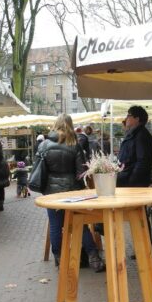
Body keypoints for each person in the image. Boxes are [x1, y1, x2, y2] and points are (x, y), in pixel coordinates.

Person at [39, 114, 104, 272]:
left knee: (55, 225)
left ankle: (60, 260)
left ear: (56, 125)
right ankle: (94, 258)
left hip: (51, 192)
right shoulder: (74, 144)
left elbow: (40, 170)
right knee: (78, 224)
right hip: (72, 191)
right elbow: (81, 173)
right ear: (70, 125)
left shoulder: (44, 145)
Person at [117, 105, 152, 187]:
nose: (126, 118)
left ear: (137, 119)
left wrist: (132, 182)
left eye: (128, 115)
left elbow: (143, 162)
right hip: (126, 179)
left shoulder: (141, 135)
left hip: (133, 183)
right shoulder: (134, 134)